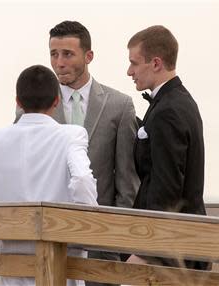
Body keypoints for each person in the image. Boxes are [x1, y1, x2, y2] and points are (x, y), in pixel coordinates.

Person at [15, 22, 139, 285]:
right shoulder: (29, 107)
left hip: (101, 248)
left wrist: (115, 242)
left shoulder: (120, 106)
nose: (58, 62)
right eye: (53, 54)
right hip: (47, 245)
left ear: (88, 56)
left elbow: (127, 184)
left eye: (67, 54)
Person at [0, 64, 98, 286]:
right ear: (56, 101)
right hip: (62, 268)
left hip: (13, 269)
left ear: (18, 102)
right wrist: (87, 226)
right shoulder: (71, 135)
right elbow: (82, 180)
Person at [127, 25, 210, 270]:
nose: (129, 71)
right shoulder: (179, 101)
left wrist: (148, 251)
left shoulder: (168, 111)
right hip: (180, 240)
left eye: (134, 62)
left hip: (171, 245)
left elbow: (167, 188)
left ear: (155, 63)